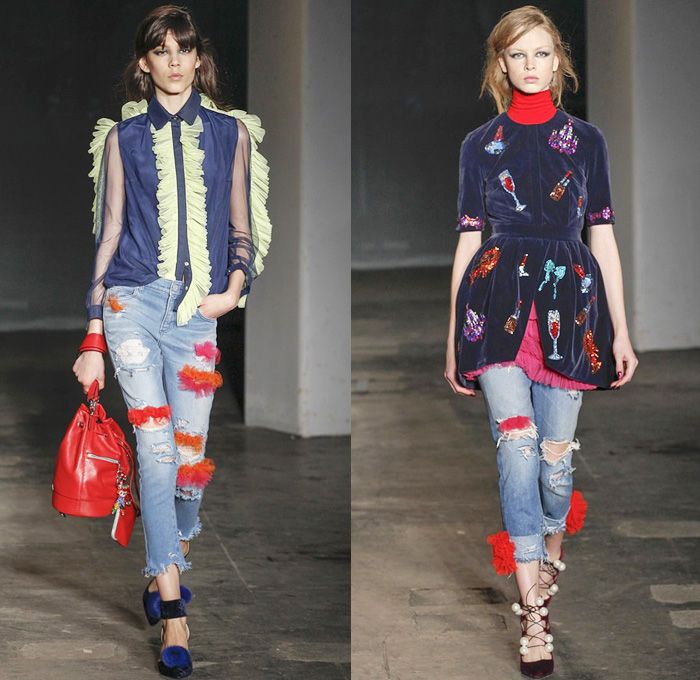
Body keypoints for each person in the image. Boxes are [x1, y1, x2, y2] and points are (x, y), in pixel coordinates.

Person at [71, 5, 271, 677]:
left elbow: (242, 226)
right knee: (155, 451)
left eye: (185, 48)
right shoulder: (122, 139)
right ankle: (174, 611)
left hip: (196, 317)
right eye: (162, 50)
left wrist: (233, 289)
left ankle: (167, 557)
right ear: (145, 63)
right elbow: (109, 233)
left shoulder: (231, 133)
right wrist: (93, 334)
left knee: (189, 464)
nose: (175, 60)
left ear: (198, 58)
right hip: (131, 307)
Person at [443, 5, 637, 678]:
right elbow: (468, 242)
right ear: (501, 64)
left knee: (554, 464)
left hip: (570, 308)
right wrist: (453, 338)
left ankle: (552, 548)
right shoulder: (479, 145)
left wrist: (621, 329)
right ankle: (533, 614)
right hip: (493, 308)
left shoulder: (586, 142)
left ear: (559, 62)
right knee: (517, 446)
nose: (530, 65)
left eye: (542, 53)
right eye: (517, 54)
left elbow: (602, 237)